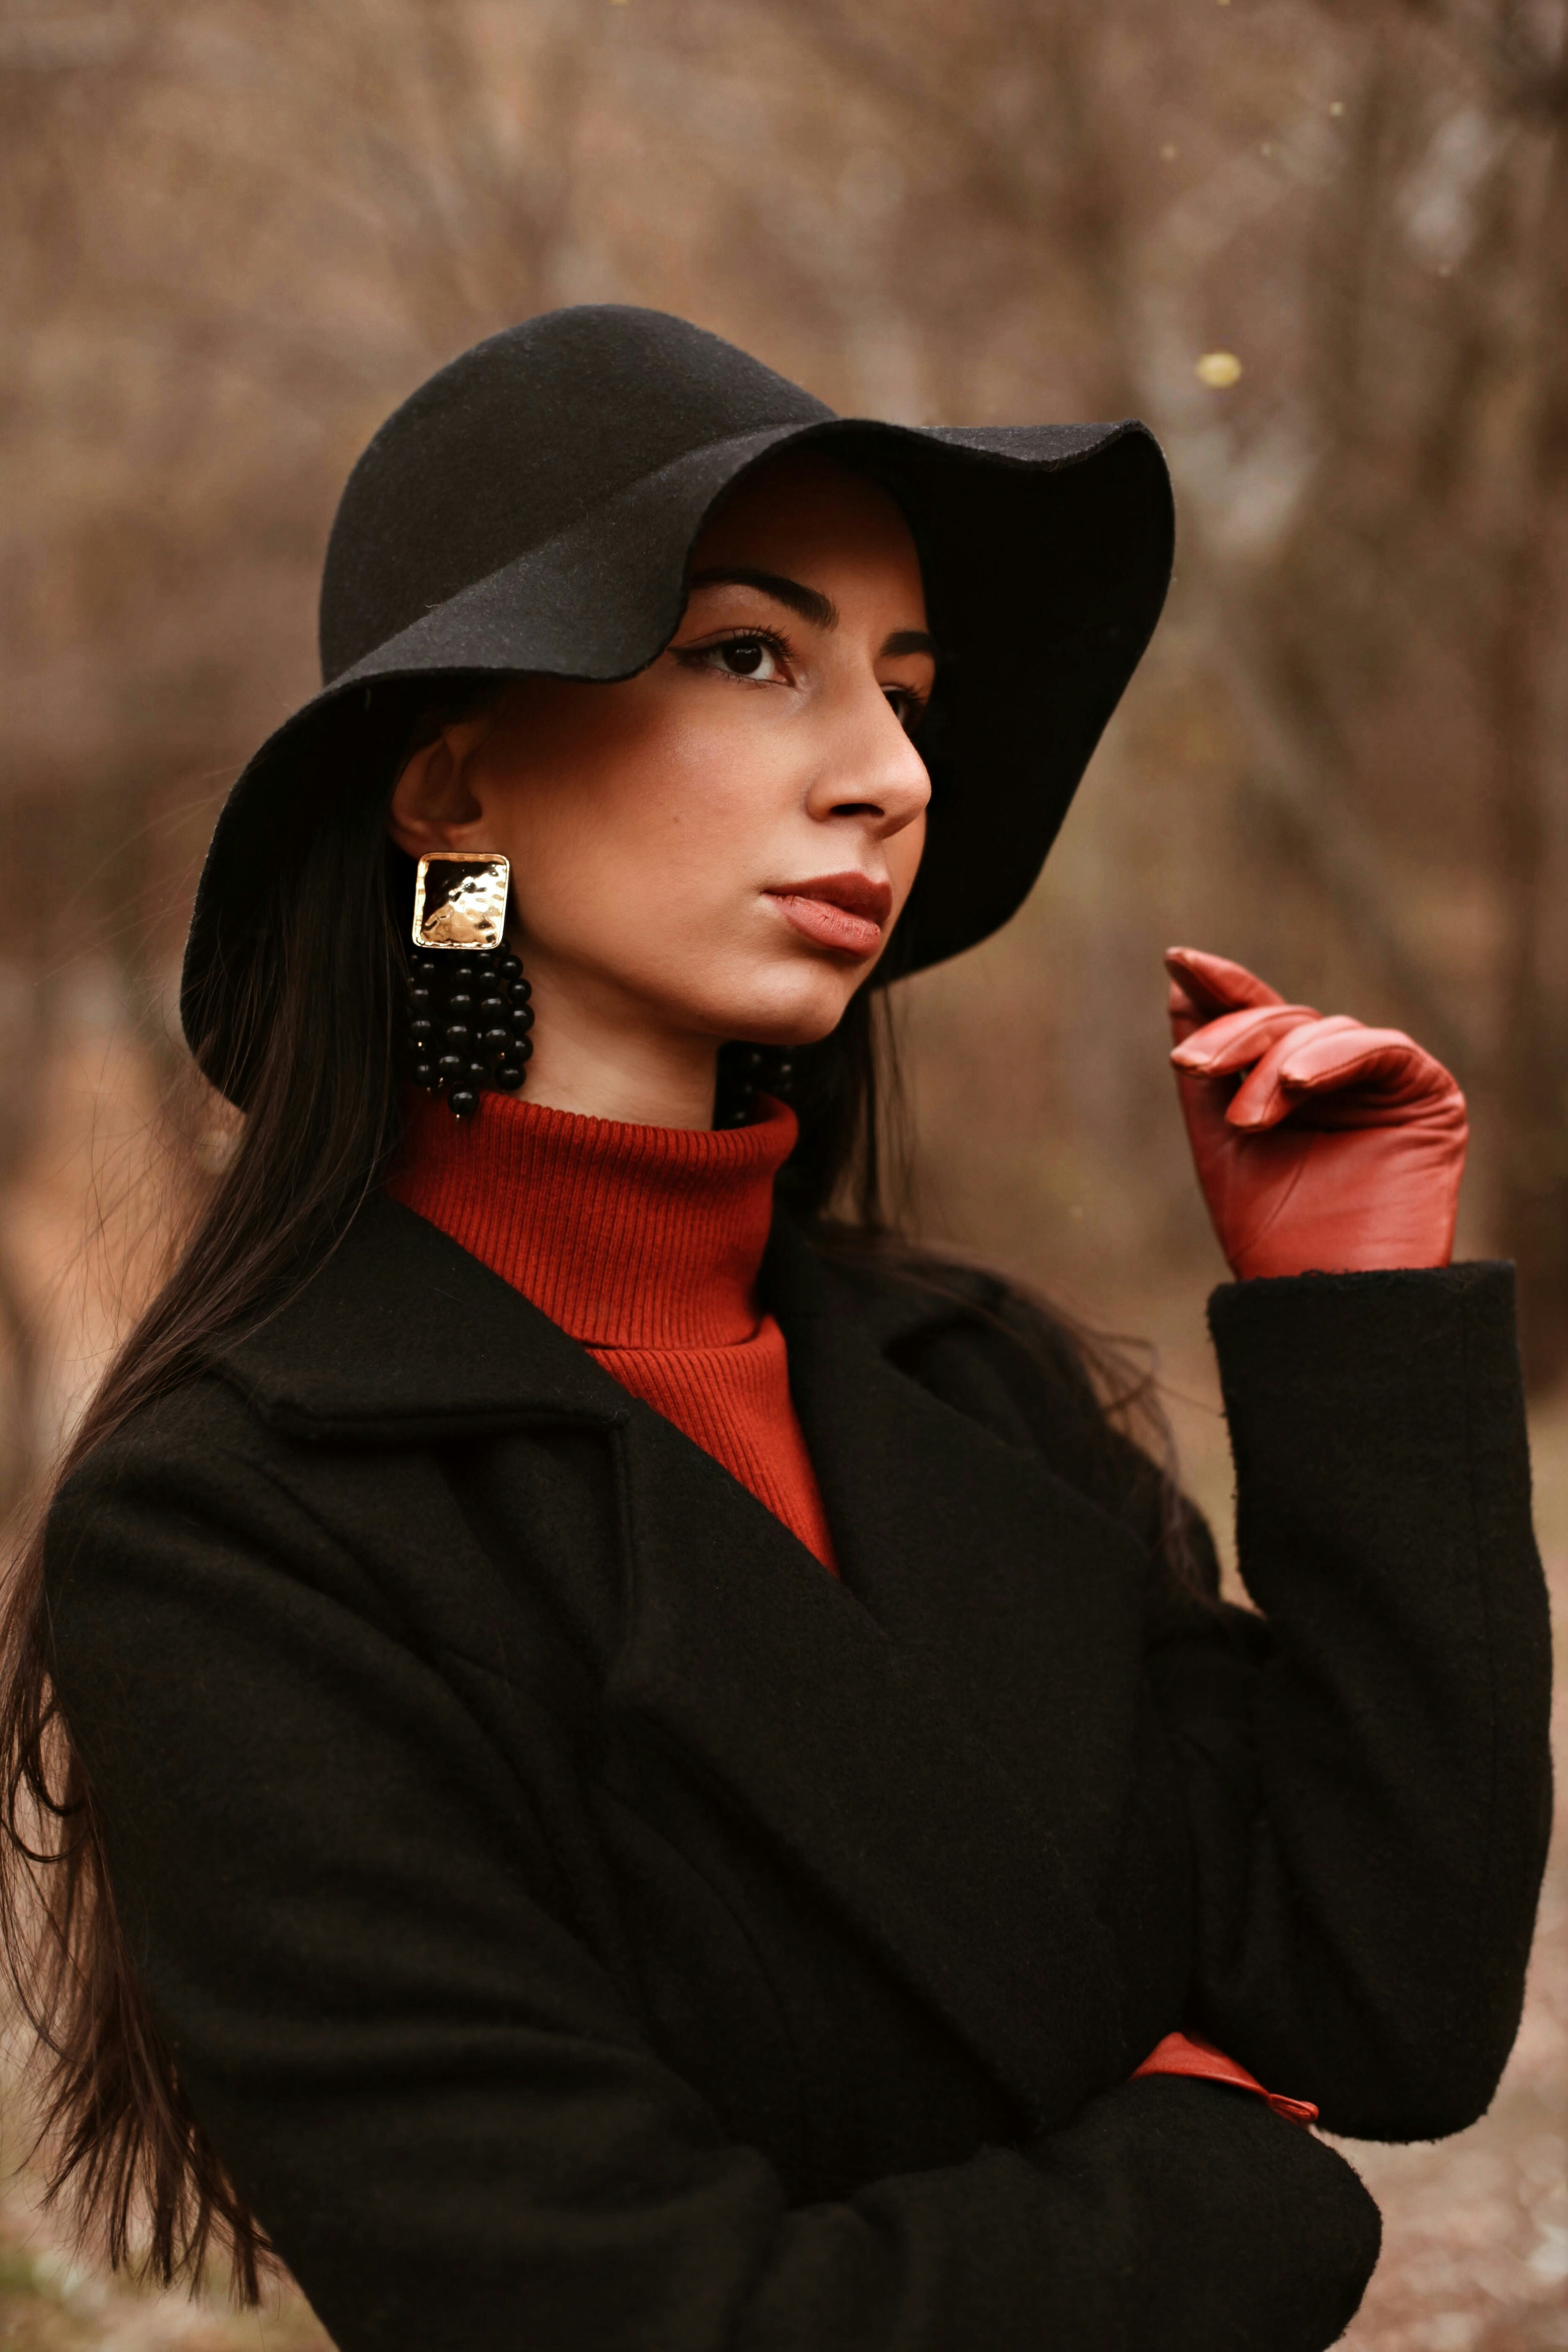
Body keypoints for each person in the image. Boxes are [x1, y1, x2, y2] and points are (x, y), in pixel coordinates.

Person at [0, 306, 1551, 2352]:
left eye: (907, 694)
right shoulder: (237, 1532)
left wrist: (1345, 1310)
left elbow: (1383, 1999)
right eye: (752, 656)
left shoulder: (975, 1382)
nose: (892, 775)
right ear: (454, 787)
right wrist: (1212, 2202)